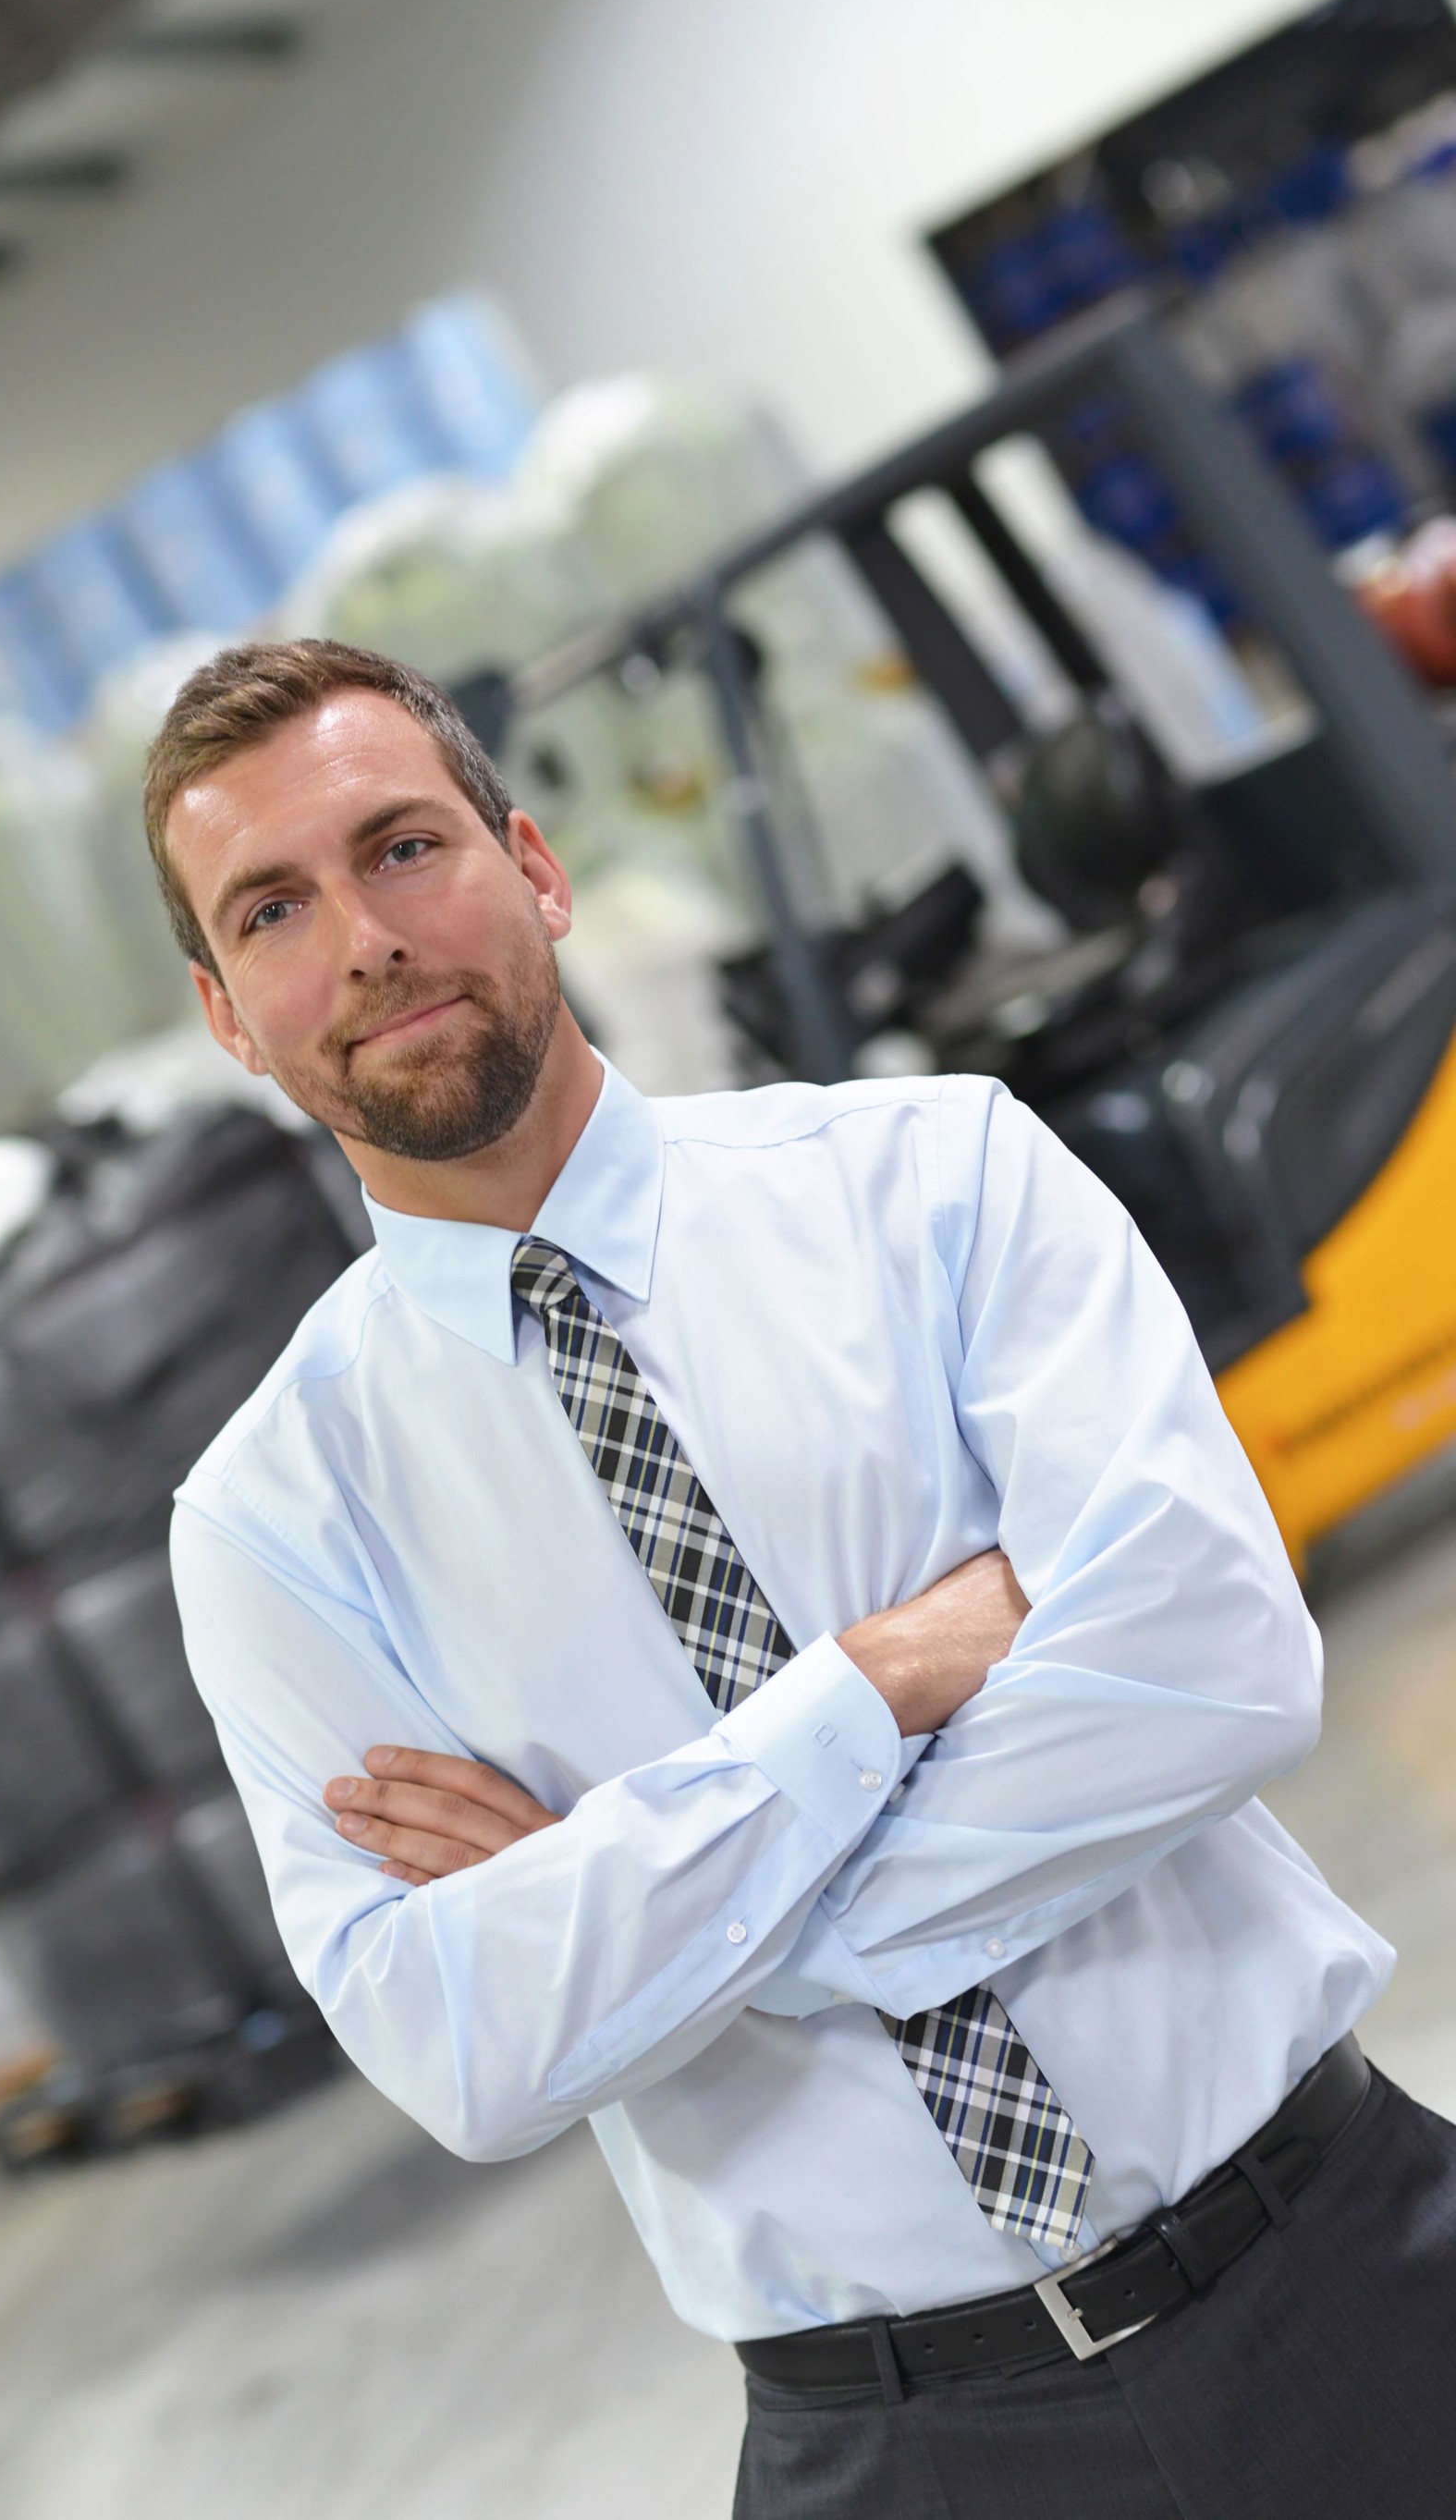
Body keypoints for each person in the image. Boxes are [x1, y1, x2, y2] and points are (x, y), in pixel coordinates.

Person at [151, 634, 1456, 2518]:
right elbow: (468, 2046)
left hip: (1349, 2278)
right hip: (902, 2452)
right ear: (225, 1013)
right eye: (273, 908)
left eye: (404, 847)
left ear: (535, 865)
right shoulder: (274, 1520)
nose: (363, 941)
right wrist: (876, 1687)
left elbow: (1219, 1666)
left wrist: (662, 1912)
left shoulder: (937, 1179)